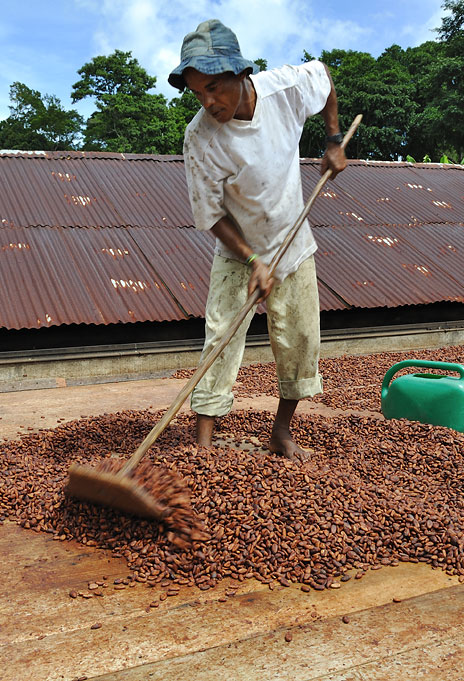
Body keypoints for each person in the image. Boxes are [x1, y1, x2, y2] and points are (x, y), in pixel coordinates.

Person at [168, 19, 347, 463]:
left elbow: (323, 78)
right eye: (197, 94)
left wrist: (333, 140)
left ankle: (281, 433)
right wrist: (252, 259)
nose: (208, 102)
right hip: (236, 249)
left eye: (213, 88)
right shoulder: (200, 138)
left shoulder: (282, 90)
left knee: (300, 340)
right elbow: (210, 214)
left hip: (292, 238)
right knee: (222, 337)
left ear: (239, 73)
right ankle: (204, 447)